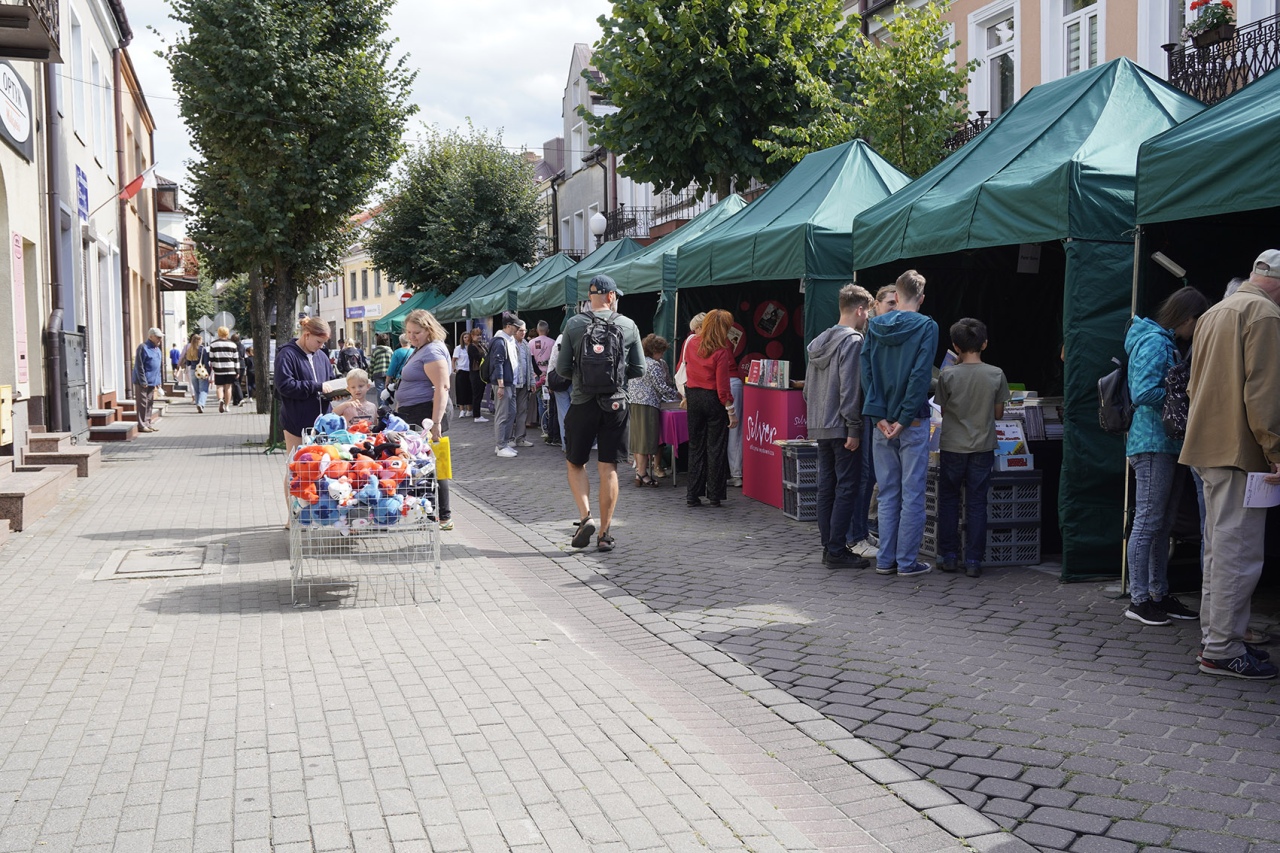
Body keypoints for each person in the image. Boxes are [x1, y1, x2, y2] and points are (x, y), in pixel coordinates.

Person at [1182, 251, 1280, 680]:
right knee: (1238, 553)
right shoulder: (1264, 313)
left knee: (1220, 549)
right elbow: (1265, 393)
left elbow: (1191, 383)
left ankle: (1218, 638)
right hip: (1239, 452)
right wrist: (1276, 450)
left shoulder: (1216, 311)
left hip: (1207, 446)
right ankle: (1222, 649)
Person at [1120, 287, 1209, 625]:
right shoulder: (1156, 342)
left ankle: (1158, 594)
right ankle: (1139, 600)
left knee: (1162, 524)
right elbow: (1143, 392)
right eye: (1197, 321)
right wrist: (1183, 395)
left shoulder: (1163, 342)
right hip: (1152, 443)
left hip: (1165, 444)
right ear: (1188, 318)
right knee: (1148, 521)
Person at [555, 274, 644, 551]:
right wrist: (616, 378)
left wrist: (583, 377)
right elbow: (639, 369)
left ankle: (586, 517)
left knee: (575, 463)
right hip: (616, 405)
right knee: (609, 468)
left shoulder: (574, 324)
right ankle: (605, 534)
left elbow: (562, 368)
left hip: (582, 402)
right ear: (611, 296)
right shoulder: (628, 325)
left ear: (590, 296)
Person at [862, 270, 938, 577]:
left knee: (887, 492)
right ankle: (906, 562)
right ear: (921, 298)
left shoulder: (874, 325)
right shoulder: (927, 326)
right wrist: (904, 419)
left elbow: (866, 373)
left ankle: (885, 560)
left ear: (896, 295)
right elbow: (920, 376)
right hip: (913, 420)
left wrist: (879, 416)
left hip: (882, 422)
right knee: (912, 494)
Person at [935, 318, 1012, 579]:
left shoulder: (947, 374)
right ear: (985, 343)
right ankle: (973, 560)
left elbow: (943, 410)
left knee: (949, 500)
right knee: (978, 502)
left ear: (955, 346)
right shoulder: (996, 374)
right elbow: (998, 414)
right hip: (983, 445)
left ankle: (948, 555)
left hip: (952, 445)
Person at [805, 285, 873, 569]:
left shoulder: (819, 341)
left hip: (820, 424)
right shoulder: (853, 341)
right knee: (846, 487)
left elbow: (807, 390)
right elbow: (850, 389)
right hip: (843, 427)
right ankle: (835, 550)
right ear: (859, 309)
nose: (867, 317)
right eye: (867, 312)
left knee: (827, 487)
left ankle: (829, 547)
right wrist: (854, 428)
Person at [848, 284, 898, 558]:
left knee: (872, 477)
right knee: (863, 476)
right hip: (865, 414)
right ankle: (855, 536)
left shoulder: (889, 332)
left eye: (897, 303)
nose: (894, 308)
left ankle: (860, 531)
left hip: (878, 414)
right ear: (875, 306)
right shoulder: (863, 337)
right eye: (890, 303)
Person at [395, 309, 455, 531]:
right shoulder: (422, 348)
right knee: (423, 464)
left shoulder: (432, 351)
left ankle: (441, 515)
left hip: (425, 414)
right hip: (416, 412)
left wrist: (436, 422)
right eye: (409, 332)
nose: (411, 336)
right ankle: (427, 513)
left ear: (428, 330)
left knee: (430, 464)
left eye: (416, 332)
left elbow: (442, 387)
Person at [683, 309, 738, 509]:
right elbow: (723, 387)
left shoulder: (691, 343)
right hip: (713, 399)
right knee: (716, 447)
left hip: (693, 396)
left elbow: (685, 368)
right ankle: (715, 495)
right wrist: (731, 411)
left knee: (695, 446)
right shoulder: (721, 350)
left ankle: (692, 494)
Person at [275, 317, 334, 453]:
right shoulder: (287, 355)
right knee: (298, 463)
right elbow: (284, 386)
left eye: (323, 343)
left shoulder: (322, 356)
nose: (321, 346)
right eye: (318, 342)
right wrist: (315, 386)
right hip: (297, 423)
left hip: (322, 424)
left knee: (321, 463)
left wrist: (333, 393)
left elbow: (329, 381)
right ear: (307, 335)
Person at [627, 334, 680, 486]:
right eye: (660, 351)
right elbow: (661, 386)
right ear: (653, 350)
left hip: (635, 403)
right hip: (648, 404)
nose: (662, 354)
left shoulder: (638, 361)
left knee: (638, 440)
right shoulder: (654, 365)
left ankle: (639, 473)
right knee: (646, 441)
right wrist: (678, 395)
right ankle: (642, 474)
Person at [488, 313, 521, 457]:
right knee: (502, 414)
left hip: (510, 382)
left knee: (511, 412)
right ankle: (501, 445)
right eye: (516, 326)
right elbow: (498, 364)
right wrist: (500, 385)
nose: (518, 329)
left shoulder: (508, 340)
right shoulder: (500, 341)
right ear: (508, 326)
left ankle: (504, 443)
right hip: (503, 383)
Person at [131, 327, 165, 433]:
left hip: (153, 381)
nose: (160, 339)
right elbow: (139, 366)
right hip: (143, 382)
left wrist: (158, 381)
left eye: (161, 337)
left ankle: (147, 423)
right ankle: (141, 425)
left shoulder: (157, 350)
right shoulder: (143, 347)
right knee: (142, 403)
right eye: (158, 337)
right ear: (151, 337)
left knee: (149, 403)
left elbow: (158, 367)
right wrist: (143, 380)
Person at [512, 321, 536, 447]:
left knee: (522, 410)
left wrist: (532, 381)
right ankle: (509, 438)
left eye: (524, 330)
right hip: (513, 383)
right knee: (510, 412)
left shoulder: (526, 344)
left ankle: (520, 438)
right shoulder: (510, 343)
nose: (523, 333)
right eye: (521, 330)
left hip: (524, 383)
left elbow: (529, 364)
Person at [208, 327, 242, 414]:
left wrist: (214, 367)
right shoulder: (233, 345)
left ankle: (220, 400)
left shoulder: (213, 344)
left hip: (218, 369)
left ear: (218, 333)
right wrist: (237, 371)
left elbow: (211, 359)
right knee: (228, 387)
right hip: (230, 369)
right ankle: (227, 406)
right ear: (227, 333)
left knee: (219, 387)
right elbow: (236, 359)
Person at [547, 332, 571, 450]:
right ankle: (579, 444)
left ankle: (567, 445)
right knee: (579, 412)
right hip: (577, 380)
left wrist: (549, 382)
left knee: (563, 414)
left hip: (560, 380)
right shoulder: (583, 334)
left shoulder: (561, 338)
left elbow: (553, 360)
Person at [530, 320, 556, 428]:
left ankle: (544, 426)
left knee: (541, 402)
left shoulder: (531, 343)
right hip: (550, 375)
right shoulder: (553, 342)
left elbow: (530, 361)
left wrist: (539, 373)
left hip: (537, 376)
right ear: (548, 330)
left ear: (537, 330)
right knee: (551, 401)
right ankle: (551, 425)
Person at [182, 332, 211, 413]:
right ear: (199, 341)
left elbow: (188, 363)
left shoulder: (189, 349)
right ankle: (201, 404)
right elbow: (206, 362)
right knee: (203, 389)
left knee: (196, 389)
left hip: (192, 371)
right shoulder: (202, 349)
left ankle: (198, 404)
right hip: (201, 370)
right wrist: (208, 372)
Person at [467, 328, 489, 423]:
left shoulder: (481, 345)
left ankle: (477, 414)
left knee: (479, 393)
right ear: (472, 336)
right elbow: (478, 357)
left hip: (482, 372)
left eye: (480, 335)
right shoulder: (471, 347)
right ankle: (476, 415)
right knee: (477, 394)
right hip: (475, 372)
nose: (479, 337)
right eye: (477, 335)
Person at [451, 329, 473, 417]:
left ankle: (469, 409)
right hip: (462, 371)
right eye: (465, 337)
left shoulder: (472, 347)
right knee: (461, 391)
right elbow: (453, 359)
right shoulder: (459, 348)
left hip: (470, 371)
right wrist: (454, 368)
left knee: (469, 391)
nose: (466, 339)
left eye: (468, 337)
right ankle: (461, 410)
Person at [369, 334, 393, 399]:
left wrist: (370, 375)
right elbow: (392, 363)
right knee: (387, 390)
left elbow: (372, 364)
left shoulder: (375, 350)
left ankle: (382, 404)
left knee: (380, 391)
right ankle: (387, 404)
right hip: (388, 373)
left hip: (377, 373)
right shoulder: (390, 351)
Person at [230, 332, 248, 406]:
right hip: (242, 365)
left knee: (235, 383)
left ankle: (240, 399)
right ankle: (235, 400)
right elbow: (243, 355)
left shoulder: (232, 346)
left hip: (235, 365)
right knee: (238, 383)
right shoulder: (242, 346)